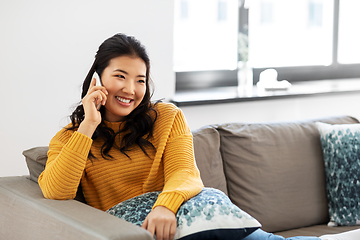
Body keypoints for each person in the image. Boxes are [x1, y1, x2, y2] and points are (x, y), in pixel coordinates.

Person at [38, 33, 321, 240]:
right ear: (96, 80)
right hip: (133, 230)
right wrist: (89, 124)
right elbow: (55, 191)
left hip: (181, 214)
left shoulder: (165, 117)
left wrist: (165, 206)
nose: (131, 90)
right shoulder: (70, 138)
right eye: (120, 76)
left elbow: (185, 173)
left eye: (140, 80)